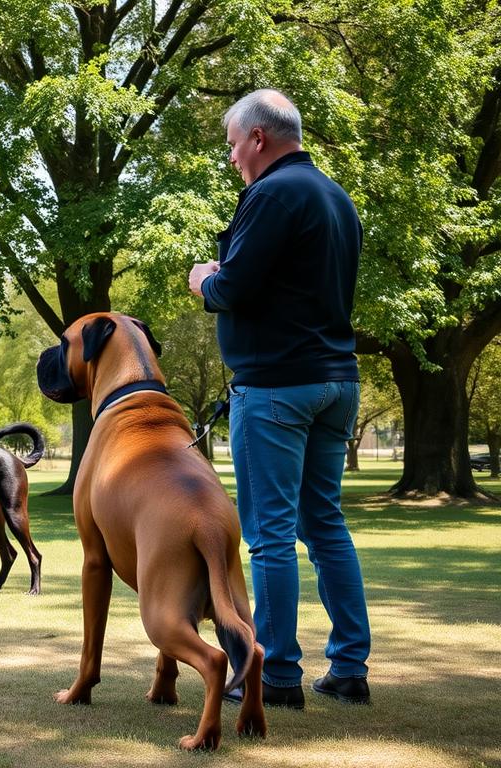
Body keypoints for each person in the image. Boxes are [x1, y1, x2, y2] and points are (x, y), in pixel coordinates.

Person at [188, 89, 371, 708]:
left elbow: (234, 287)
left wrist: (205, 279)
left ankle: (277, 676)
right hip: (337, 380)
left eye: (234, 144)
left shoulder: (270, 194)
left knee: (269, 534)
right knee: (325, 526)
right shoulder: (336, 197)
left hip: (275, 389)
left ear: (258, 138)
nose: (233, 157)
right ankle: (349, 668)